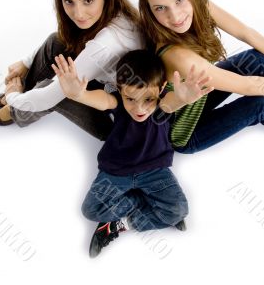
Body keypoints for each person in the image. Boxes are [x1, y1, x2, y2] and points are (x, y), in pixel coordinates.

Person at [51, 50, 212, 257]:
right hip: (116, 172)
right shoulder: (116, 103)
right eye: (130, 99)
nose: (139, 108)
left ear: (162, 88)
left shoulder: (162, 106)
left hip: (155, 171)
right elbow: (102, 100)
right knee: (90, 210)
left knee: (178, 211)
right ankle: (144, 202)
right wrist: (79, 95)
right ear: (120, 91)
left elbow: (172, 102)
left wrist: (183, 98)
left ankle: (118, 225)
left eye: (148, 99)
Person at [0, 0, 143, 140]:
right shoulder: (117, 2)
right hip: (109, 84)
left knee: (60, 90)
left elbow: (47, 97)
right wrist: (26, 62)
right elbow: (65, 37)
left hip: (123, 122)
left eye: (88, 1)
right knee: (56, 42)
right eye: (69, 2)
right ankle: (19, 97)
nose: (78, 13)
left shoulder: (105, 45)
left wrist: (12, 95)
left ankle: (7, 112)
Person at [137, 0, 264, 153]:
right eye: (160, 8)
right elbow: (249, 86)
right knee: (260, 102)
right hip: (183, 132)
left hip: (199, 95)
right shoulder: (176, 56)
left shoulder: (199, 4)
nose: (175, 15)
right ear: (150, 10)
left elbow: (245, 32)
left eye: (180, 0)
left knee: (257, 59)